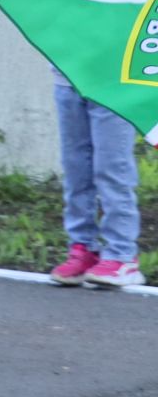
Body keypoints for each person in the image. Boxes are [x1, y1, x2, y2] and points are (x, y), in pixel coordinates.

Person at [47, 68, 145, 288]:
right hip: (68, 76)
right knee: (76, 169)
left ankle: (122, 255)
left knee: (112, 168)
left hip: (116, 79)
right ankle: (82, 247)